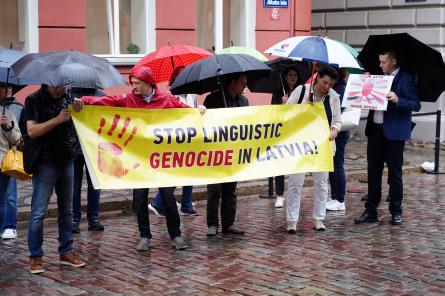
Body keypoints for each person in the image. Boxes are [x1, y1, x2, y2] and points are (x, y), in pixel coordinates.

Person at [73, 66, 206, 251]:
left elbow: (185, 112)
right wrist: (84, 101)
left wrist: (198, 110)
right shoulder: (129, 100)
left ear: (148, 82)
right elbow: (108, 101)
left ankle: (176, 235)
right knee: (140, 199)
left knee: (168, 197)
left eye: (137, 83)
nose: (133, 87)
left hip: (161, 159)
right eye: (132, 83)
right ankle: (144, 236)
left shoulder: (166, 99)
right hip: (138, 160)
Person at [22, 84, 86, 274]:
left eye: (64, 87)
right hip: (45, 162)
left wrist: (79, 109)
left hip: (67, 160)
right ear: (48, 83)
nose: (61, 90)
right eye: (58, 87)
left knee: (67, 210)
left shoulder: (67, 98)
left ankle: (66, 251)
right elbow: (32, 131)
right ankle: (35, 257)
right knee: (38, 212)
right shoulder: (33, 100)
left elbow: (76, 124)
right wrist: (57, 119)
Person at [355, 50, 421, 226]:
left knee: (395, 174)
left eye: (383, 62)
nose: (380, 65)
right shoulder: (377, 78)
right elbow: (364, 97)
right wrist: (364, 83)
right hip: (375, 131)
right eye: (379, 61)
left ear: (393, 61)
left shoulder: (406, 79)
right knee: (373, 173)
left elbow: (415, 104)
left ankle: (396, 211)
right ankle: (371, 211)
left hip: (394, 133)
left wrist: (397, 99)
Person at [285, 66, 341, 233]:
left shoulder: (334, 97)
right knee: (296, 183)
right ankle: (292, 220)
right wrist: (303, 108)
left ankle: (319, 218)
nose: (327, 87)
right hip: (300, 145)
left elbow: (337, 120)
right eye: (324, 82)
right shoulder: (301, 91)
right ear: (317, 78)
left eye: (330, 84)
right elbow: (285, 113)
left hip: (323, 146)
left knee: (322, 183)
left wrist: (335, 131)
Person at [149, 66, 198, 217]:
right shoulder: (171, 97)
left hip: (191, 137)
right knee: (178, 172)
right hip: (177, 140)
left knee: (190, 171)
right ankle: (157, 202)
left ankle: (187, 204)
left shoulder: (191, 95)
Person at [204, 73, 249, 236]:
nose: (245, 86)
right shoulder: (213, 99)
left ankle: (228, 223)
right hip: (215, 151)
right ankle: (212, 224)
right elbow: (204, 123)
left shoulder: (243, 101)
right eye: (242, 83)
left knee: (230, 189)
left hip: (234, 151)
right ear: (233, 82)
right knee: (214, 190)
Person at [67, 88, 105, 233]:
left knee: (95, 184)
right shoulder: (68, 96)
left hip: (94, 147)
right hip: (74, 146)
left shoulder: (101, 96)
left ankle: (94, 218)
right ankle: (74, 218)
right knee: (74, 185)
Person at [271, 66, 301, 208]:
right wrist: (281, 105)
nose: (293, 77)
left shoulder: (302, 92)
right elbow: (272, 111)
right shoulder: (278, 93)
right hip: (281, 132)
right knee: (280, 164)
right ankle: (280, 195)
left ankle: (294, 193)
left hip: (296, 132)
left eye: (295, 75)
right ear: (285, 77)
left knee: (295, 165)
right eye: (290, 75)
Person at [0, 84, 22, 239]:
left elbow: (17, 139)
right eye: (2, 87)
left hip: (3, 160)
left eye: (6, 87)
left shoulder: (8, 112)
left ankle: (9, 226)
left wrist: (6, 126)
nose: (6, 90)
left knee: (8, 197)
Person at [327, 68, 349, 211]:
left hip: (339, 133)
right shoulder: (335, 86)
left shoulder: (340, 88)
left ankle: (339, 199)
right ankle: (334, 196)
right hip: (332, 131)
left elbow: (337, 111)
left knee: (337, 165)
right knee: (332, 165)